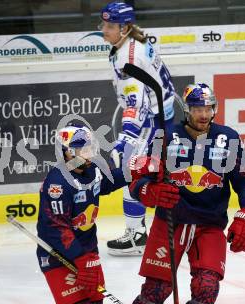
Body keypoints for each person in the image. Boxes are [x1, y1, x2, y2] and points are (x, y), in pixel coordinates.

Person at [128, 83, 245, 304]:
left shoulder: (228, 139)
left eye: (208, 108)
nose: (204, 114)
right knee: (155, 292)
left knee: (206, 289)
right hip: (170, 223)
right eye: (198, 109)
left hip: (209, 225)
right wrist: (149, 191)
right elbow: (137, 180)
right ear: (188, 110)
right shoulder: (166, 137)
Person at [99, 2, 177, 256]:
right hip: (160, 114)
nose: (104, 30)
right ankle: (142, 231)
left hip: (152, 120)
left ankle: (137, 235)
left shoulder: (128, 57)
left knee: (130, 170)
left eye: (110, 26)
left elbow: (137, 104)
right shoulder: (133, 41)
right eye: (104, 24)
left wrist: (126, 138)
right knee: (143, 172)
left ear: (125, 27)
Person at [36, 124, 128, 304]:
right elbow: (57, 229)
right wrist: (79, 257)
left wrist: (138, 170)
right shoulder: (58, 184)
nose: (88, 153)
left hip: (88, 252)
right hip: (58, 258)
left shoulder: (92, 169)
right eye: (81, 149)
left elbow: (109, 181)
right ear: (66, 152)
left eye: (89, 147)